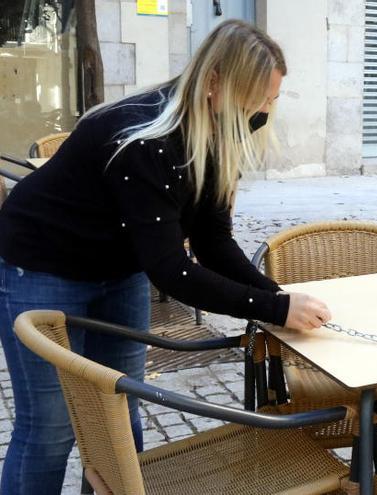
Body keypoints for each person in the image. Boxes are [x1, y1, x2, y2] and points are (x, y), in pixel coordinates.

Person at [0, 20, 330, 494]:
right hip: (42, 263)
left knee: (118, 407)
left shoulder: (215, 132)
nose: (262, 112)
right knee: (50, 429)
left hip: (119, 267)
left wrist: (277, 297)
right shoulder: (142, 139)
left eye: (271, 101)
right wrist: (275, 309)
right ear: (214, 81)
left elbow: (213, 241)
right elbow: (173, 272)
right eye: (255, 99)